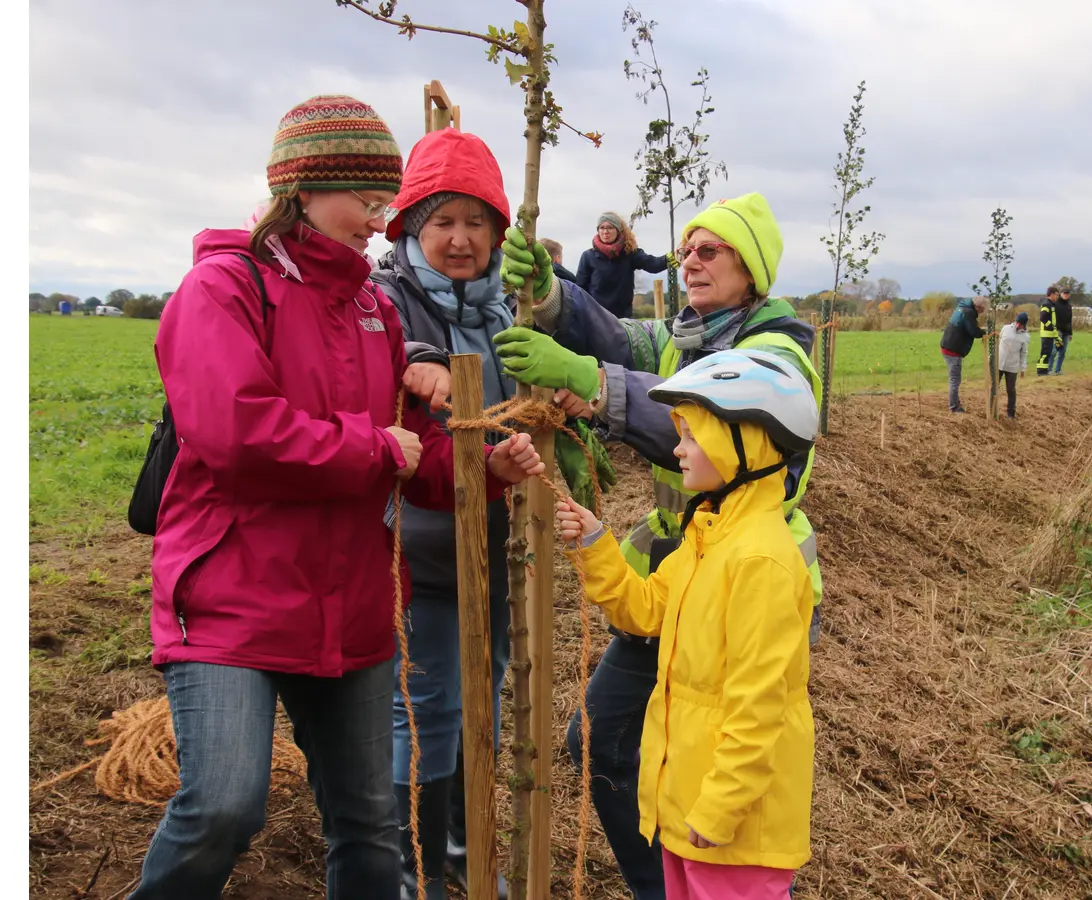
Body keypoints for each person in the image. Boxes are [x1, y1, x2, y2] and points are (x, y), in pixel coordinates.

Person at [131, 95, 543, 900]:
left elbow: (406, 451)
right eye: (368, 198)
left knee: (367, 825)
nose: (377, 217)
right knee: (221, 806)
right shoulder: (222, 288)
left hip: (351, 604)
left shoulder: (367, 309)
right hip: (231, 601)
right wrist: (375, 448)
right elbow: (237, 433)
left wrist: (482, 471)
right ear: (308, 189)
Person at [491, 192, 822, 900]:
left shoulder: (775, 353)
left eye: (710, 252)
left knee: (707, 731)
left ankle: (706, 858)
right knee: (607, 740)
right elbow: (623, 342)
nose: (690, 263)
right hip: (686, 564)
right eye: (686, 252)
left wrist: (593, 383)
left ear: (752, 269)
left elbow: (684, 394)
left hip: (740, 582)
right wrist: (552, 295)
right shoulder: (693, 330)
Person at [370, 126, 580, 899]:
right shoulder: (384, 299)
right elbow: (372, 355)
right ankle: (407, 858)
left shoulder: (506, 312)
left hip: (499, 540)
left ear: (498, 230)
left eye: (476, 222)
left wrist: (551, 398)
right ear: (412, 228)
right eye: (442, 222)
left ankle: (465, 843)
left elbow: (528, 393)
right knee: (425, 701)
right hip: (417, 542)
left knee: (485, 687)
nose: (460, 240)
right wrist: (415, 364)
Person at [553, 348, 818, 899]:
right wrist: (596, 545)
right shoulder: (708, 536)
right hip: (688, 807)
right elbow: (645, 609)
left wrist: (721, 808)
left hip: (732, 829)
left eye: (692, 436)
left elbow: (758, 705)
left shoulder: (759, 561)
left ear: (741, 445)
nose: (677, 449)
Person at [574, 211, 676, 318]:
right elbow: (580, 290)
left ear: (618, 230)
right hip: (596, 319)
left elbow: (653, 265)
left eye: (610, 227)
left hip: (623, 320)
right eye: (602, 228)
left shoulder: (630, 253)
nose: (605, 231)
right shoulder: (588, 257)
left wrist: (669, 258)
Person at [938, 296, 987, 413]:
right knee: (954, 380)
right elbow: (974, 331)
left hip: (948, 346)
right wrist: (984, 332)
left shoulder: (963, 308)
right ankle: (954, 407)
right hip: (953, 349)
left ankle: (955, 402)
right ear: (978, 307)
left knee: (954, 379)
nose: (981, 313)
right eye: (982, 310)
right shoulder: (968, 312)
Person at [997, 311, 1030, 419]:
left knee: (1010, 390)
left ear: (1024, 325)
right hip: (999, 364)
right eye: (1016, 322)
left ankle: (1011, 414)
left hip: (1012, 367)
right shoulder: (1005, 328)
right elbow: (998, 343)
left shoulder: (1025, 337)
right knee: (994, 387)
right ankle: (992, 410)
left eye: (1019, 323)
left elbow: (1024, 353)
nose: (1017, 325)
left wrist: (1023, 368)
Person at [1050, 286, 1075, 374]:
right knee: (1054, 350)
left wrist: (1070, 333)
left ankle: (1058, 370)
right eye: (1064, 293)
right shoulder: (1056, 304)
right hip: (1058, 331)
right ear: (1061, 294)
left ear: (1069, 295)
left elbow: (1070, 320)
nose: (1065, 295)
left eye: (1067, 294)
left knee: (1063, 352)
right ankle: (1049, 370)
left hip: (1066, 332)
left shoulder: (1069, 306)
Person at [1036, 286, 1059, 374]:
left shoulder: (1052, 304)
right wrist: (1050, 326)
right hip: (1046, 333)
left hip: (1050, 334)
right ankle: (1041, 372)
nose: (1057, 297)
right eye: (1056, 295)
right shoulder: (1046, 304)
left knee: (1048, 354)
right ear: (1052, 294)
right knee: (1044, 354)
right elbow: (1043, 317)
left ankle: (1044, 371)